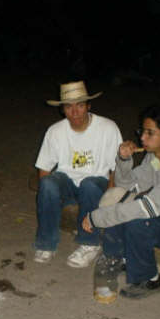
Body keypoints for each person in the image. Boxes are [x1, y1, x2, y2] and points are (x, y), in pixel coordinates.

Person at [83, 105, 160, 298]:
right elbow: (128, 185)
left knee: (138, 222)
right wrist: (124, 160)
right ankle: (117, 257)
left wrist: (96, 218)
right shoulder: (154, 156)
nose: (142, 138)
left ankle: (150, 279)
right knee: (116, 197)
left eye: (150, 133)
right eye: (142, 131)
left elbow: (147, 208)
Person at [33, 80, 122, 265]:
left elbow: (117, 167)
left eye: (80, 105)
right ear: (62, 110)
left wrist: (111, 197)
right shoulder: (55, 131)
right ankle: (46, 244)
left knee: (89, 184)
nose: (74, 112)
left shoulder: (108, 128)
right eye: (68, 107)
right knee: (48, 183)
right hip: (68, 183)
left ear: (88, 106)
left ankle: (90, 243)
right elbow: (44, 168)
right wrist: (48, 197)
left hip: (96, 185)